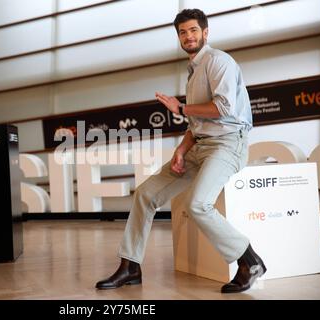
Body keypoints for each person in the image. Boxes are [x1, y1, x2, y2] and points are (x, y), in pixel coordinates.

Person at [95, 8, 266, 293]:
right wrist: (181, 150)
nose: (188, 36)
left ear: (205, 32)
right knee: (145, 195)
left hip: (227, 144)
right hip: (199, 147)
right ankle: (130, 267)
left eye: (193, 30)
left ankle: (250, 261)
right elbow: (196, 124)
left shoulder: (218, 61)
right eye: (183, 32)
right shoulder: (193, 71)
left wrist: (180, 107)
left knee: (198, 205)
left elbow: (224, 109)